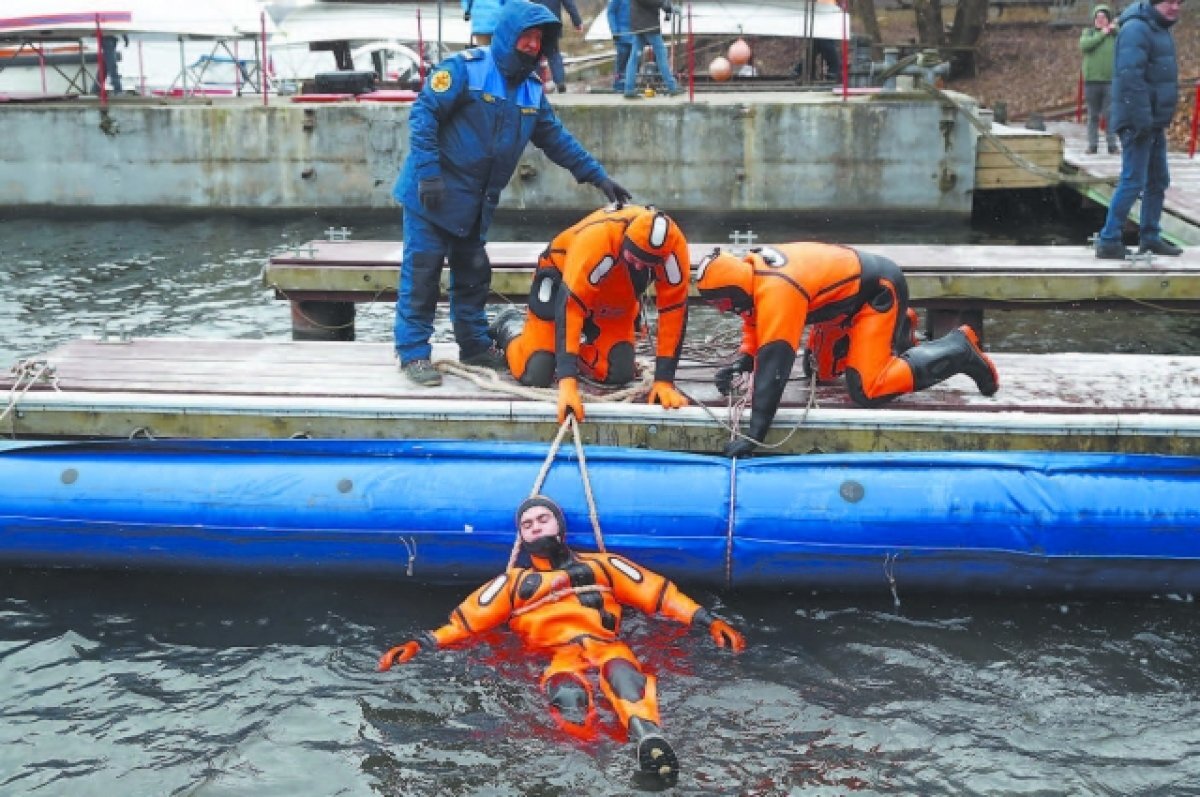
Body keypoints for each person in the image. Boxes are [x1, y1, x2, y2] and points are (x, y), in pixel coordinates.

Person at [378, 494, 746, 786]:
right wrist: (420, 643)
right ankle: (594, 765)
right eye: (527, 525)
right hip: (557, 657)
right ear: (521, 538)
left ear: (560, 526)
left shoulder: (603, 566)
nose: (536, 528)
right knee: (568, 695)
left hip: (606, 644)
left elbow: (660, 594)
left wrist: (707, 620)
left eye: (543, 519)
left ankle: (648, 740)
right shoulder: (512, 583)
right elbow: (465, 623)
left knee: (622, 674)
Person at [392, 0, 633, 387]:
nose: (533, 44)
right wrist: (428, 174)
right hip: (431, 196)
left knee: (473, 276)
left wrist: (599, 177)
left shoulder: (531, 91)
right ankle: (414, 353)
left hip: (475, 203)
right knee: (422, 275)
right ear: (508, 35)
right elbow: (423, 115)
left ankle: (473, 346)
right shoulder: (464, 69)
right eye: (527, 36)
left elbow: (557, 140)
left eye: (539, 39)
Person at [695, 243, 1000, 458]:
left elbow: (775, 365)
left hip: (876, 293)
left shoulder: (778, 291)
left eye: (721, 303)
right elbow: (754, 322)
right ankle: (899, 327)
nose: (722, 311)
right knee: (821, 372)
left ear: (735, 289)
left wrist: (754, 434)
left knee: (868, 389)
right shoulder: (749, 276)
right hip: (838, 305)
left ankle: (959, 349)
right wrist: (743, 361)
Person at [487, 204, 691, 422]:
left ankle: (574, 353)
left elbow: (674, 310)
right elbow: (571, 308)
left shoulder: (673, 248)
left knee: (617, 371)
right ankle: (510, 326)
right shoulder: (596, 240)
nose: (640, 267)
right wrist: (567, 382)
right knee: (536, 370)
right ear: (624, 242)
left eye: (647, 264)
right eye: (635, 260)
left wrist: (664, 380)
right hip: (561, 280)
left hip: (614, 292)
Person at [1094, 0, 1185, 260]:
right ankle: (1109, 239)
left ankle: (1150, 237)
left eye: (1180, 3)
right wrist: (1141, 119)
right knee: (1133, 180)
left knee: (1158, 180)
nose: (1176, 7)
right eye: (1171, 2)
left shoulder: (1159, 28)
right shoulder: (1136, 28)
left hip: (1152, 120)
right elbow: (1130, 76)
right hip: (1137, 120)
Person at [1079, 5, 1120, 155]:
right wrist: (1102, 33)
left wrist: (1113, 28)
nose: (1100, 20)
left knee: (1110, 114)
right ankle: (1092, 145)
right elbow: (1084, 46)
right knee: (1093, 115)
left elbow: (1123, 37)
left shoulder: (1115, 35)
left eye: (1103, 17)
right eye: (1098, 17)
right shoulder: (1088, 33)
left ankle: (1112, 145)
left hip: (1110, 81)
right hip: (1092, 81)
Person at [623, 0, 679, 98]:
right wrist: (665, 4)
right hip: (649, 26)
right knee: (661, 54)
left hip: (639, 25)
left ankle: (629, 89)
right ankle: (672, 87)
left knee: (634, 57)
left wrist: (668, 8)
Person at [532, 0, 583, 91]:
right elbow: (569, 3)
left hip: (535, 22)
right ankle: (560, 82)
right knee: (554, 54)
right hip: (552, 22)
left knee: (535, 56)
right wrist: (577, 22)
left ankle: (535, 86)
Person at [607, 0, 633, 93]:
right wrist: (614, 31)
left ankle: (630, 84)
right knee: (622, 61)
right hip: (622, 35)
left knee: (635, 62)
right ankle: (619, 85)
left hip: (636, 34)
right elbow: (611, 12)